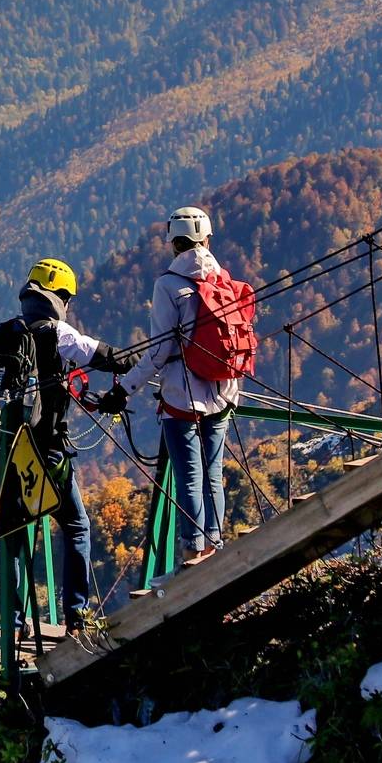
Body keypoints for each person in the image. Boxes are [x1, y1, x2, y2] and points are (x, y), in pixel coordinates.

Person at [0, 256, 134, 635]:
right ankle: (76, 616)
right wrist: (143, 360)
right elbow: (105, 357)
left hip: (8, 450)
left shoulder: (0, 334)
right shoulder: (59, 333)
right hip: (48, 450)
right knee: (76, 525)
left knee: (12, 532)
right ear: (60, 296)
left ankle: (13, 623)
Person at [116, 208, 255, 567]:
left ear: (174, 244)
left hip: (182, 396)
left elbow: (159, 351)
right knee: (213, 474)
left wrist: (124, 389)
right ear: (207, 240)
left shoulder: (169, 286)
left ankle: (193, 553)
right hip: (224, 391)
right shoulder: (223, 281)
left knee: (189, 478)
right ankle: (214, 547)